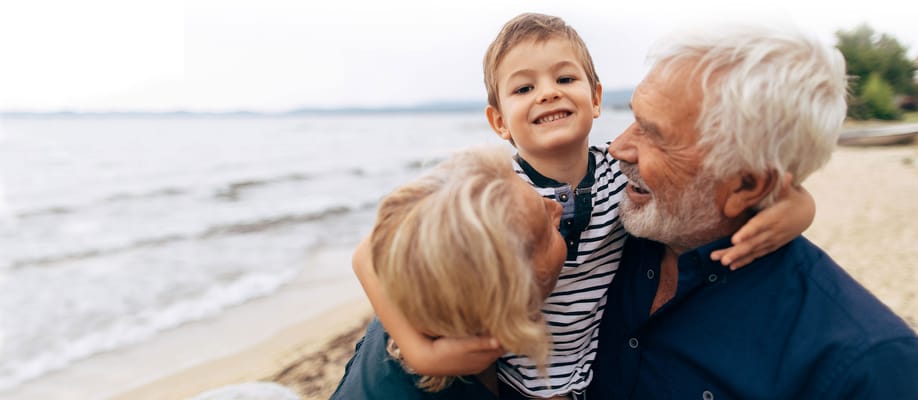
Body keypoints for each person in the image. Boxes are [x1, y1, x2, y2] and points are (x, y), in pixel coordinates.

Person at [353, 13, 818, 400]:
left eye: (564, 77)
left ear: (596, 99)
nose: (548, 92)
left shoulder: (622, 168)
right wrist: (419, 352)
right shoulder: (490, 190)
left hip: (597, 374)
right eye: (523, 89)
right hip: (508, 379)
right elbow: (369, 255)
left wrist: (799, 208)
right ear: (499, 122)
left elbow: (723, 186)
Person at [589, 23, 918, 398]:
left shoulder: (865, 369)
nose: (617, 148)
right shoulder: (600, 232)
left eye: (653, 134)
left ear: (748, 186)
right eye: (634, 117)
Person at [331, 145, 565, 399]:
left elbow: (368, 250)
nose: (557, 207)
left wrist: (418, 352)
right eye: (546, 227)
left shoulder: (423, 278)